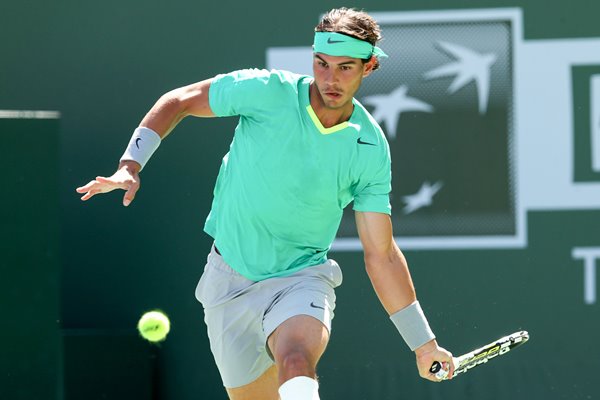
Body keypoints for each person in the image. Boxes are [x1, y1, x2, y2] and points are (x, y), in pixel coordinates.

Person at [76, 7, 455, 400]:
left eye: (345, 68)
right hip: (227, 278)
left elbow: (381, 254)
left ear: (369, 66)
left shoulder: (369, 147)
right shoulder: (267, 91)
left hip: (300, 277)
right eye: (322, 64)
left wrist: (423, 343)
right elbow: (180, 100)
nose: (330, 79)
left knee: (295, 360)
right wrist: (130, 165)